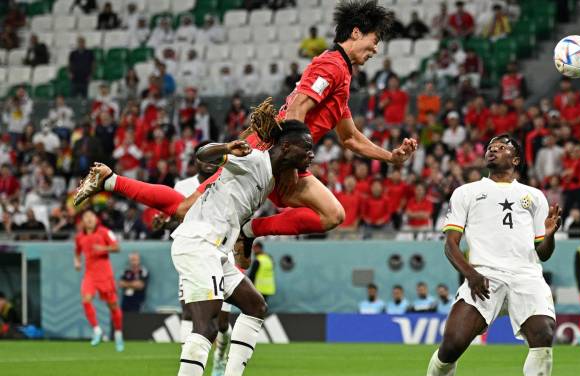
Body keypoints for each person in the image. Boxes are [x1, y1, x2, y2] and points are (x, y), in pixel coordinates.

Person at [75, 1, 417, 240]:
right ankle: (108, 179)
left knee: (333, 215)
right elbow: (297, 107)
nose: (374, 51)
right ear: (356, 33)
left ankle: (248, 233)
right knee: (184, 209)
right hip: (266, 153)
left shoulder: (341, 73)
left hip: (287, 156)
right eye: (373, 43)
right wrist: (287, 163)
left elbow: (351, 138)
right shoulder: (332, 64)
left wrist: (390, 157)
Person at [153, 119, 315, 376]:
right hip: (198, 243)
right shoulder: (252, 159)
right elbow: (204, 154)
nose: (312, 154)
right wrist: (227, 148)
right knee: (207, 326)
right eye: (306, 147)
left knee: (256, 306)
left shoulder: (271, 178)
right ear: (287, 147)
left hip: (218, 250)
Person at [402, 134, 561, 376]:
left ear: (515, 160)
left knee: (544, 334)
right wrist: (471, 274)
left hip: (526, 275)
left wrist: (549, 235)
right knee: (452, 345)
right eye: (490, 147)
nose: (493, 150)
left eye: (502, 147)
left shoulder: (534, 196)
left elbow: (543, 253)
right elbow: (450, 244)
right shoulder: (467, 192)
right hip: (484, 274)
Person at [171, 140, 233, 376]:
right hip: (194, 253)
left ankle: (221, 355)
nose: (210, 161)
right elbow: (175, 214)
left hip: (222, 252)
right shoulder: (183, 186)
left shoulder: (228, 180)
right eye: (207, 156)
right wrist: (162, 222)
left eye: (215, 157)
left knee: (221, 321)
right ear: (197, 159)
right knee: (190, 312)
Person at [74, 209, 124, 352]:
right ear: (83, 221)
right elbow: (77, 253)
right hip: (90, 274)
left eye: (91, 216)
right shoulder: (79, 237)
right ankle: (97, 330)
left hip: (105, 274)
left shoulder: (104, 232)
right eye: (86, 217)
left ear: (96, 219)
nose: (89, 219)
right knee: (86, 298)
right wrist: (77, 263)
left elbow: (117, 247)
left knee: (113, 306)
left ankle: (118, 334)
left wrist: (103, 248)